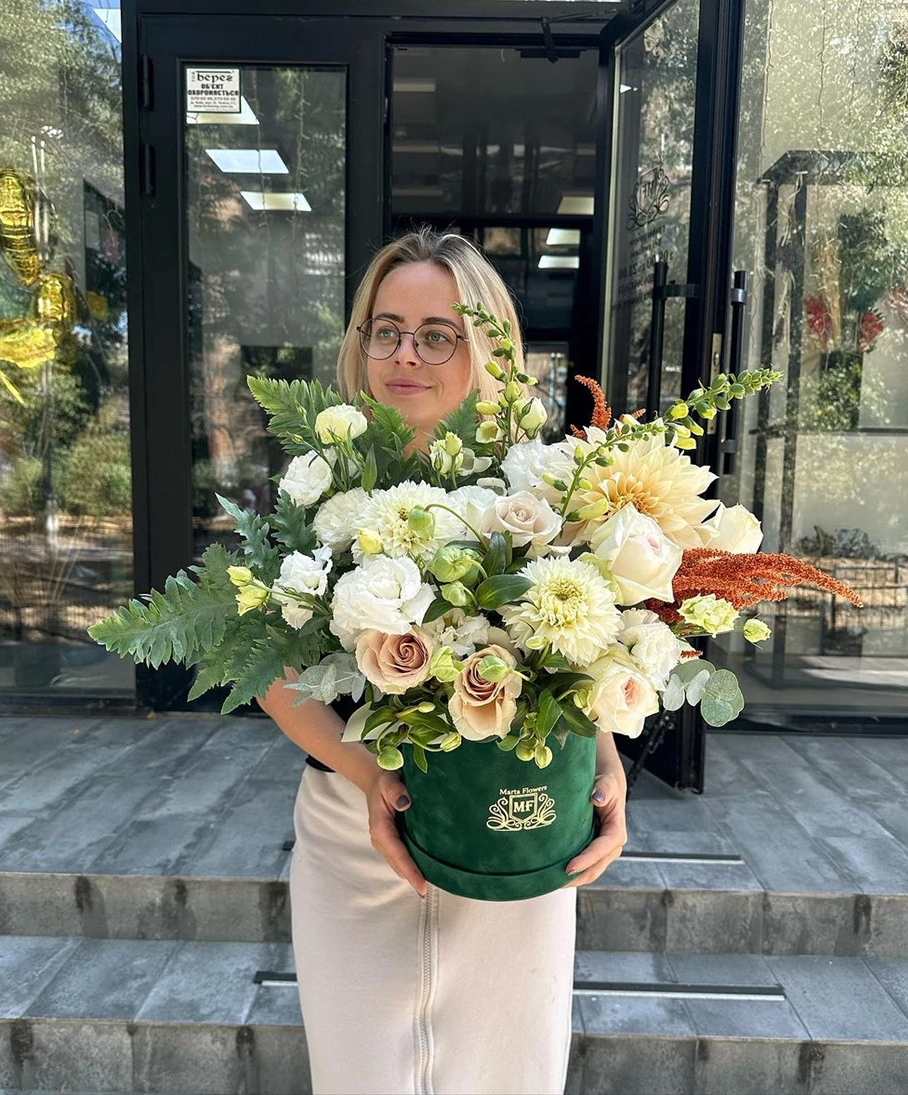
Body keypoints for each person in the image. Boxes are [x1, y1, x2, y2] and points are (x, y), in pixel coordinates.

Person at [256, 228, 629, 1095]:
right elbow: (271, 672)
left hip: (510, 827)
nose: (405, 354)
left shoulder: (549, 492)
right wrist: (372, 782)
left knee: (510, 1072)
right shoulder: (318, 488)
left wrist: (605, 766)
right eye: (386, 330)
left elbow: (587, 658)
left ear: (487, 348)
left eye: (437, 334)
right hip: (351, 833)